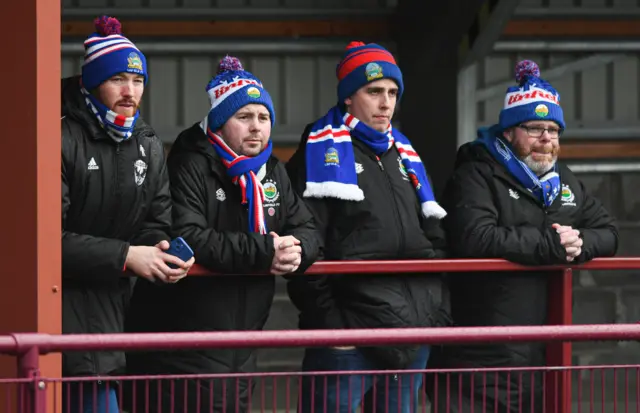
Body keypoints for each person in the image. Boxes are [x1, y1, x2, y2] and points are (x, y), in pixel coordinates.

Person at [125, 55, 321, 413]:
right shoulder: (190, 163)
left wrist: (298, 252)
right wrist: (267, 250)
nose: (256, 128)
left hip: (241, 339)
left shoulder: (272, 171)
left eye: (263, 118)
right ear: (218, 122)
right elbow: (190, 235)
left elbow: (306, 226)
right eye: (243, 117)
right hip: (185, 339)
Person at [428, 60, 619, 412]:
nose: (546, 139)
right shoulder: (476, 176)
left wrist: (577, 244)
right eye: (534, 128)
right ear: (509, 132)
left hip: (542, 350)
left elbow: (608, 232)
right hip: (479, 352)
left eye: (554, 130)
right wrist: (551, 245)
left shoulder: (564, 182)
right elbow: (475, 238)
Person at [285, 41, 450, 413]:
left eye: (392, 92)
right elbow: (306, 244)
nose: (385, 102)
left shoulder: (406, 155)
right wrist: (333, 327)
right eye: (374, 91)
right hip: (350, 338)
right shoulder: (318, 151)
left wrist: (432, 310)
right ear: (347, 97)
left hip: (412, 332)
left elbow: (436, 237)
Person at [62, 15, 194, 413]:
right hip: (57, 318)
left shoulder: (146, 142)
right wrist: (126, 256)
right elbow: (44, 240)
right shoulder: (57, 134)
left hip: (113, 319)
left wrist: (161, 251)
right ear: (90, 80)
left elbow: (155, 220)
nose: (130, 91)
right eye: (118, 79)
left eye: (137, 81)